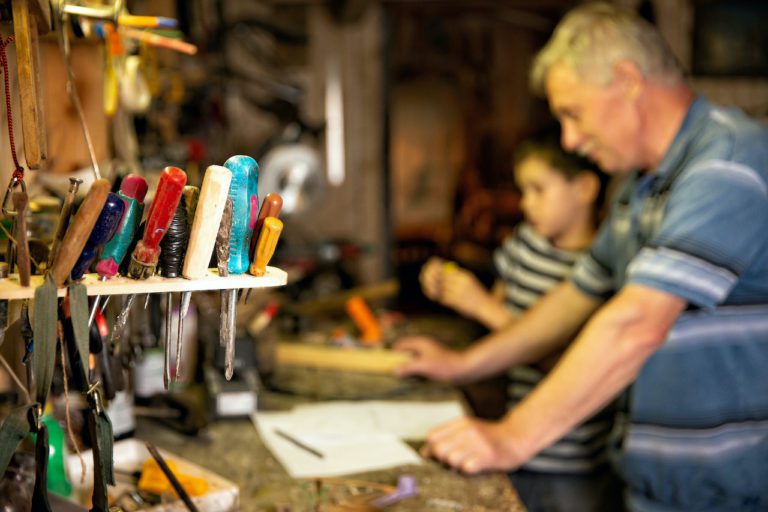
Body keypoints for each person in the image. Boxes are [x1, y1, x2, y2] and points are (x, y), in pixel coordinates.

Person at [395, 3, 768, 512]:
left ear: (627, 81)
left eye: (573, 113)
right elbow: (575, 296)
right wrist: (463, 365)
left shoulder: (726, 165)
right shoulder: (640, 186)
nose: (570, 139)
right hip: (653, 483)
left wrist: (510, 437)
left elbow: (637, 323)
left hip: (729, 494)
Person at [410, 131, 623, 512]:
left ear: (586, 188)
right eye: (523, 191)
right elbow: (501, 327)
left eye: (539, 190)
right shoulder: (525, 245)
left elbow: (568, 366)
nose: (527, 204)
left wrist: (481, 308)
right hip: (516, 449)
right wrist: (452, 288)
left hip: (573, 463)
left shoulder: (602, 271)